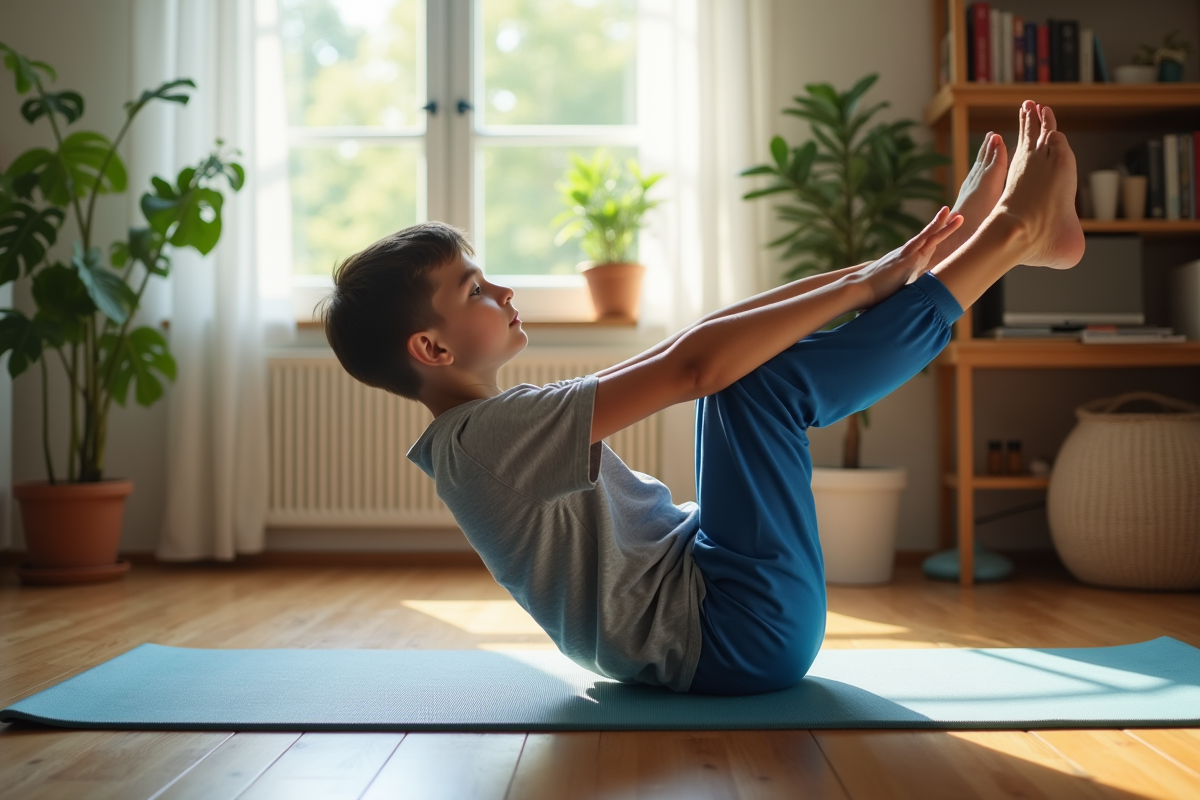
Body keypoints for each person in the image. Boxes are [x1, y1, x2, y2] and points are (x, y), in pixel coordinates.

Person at [321, 101, 1084, 695]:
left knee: (737, 367)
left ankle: (974, 249)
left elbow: (693, 343)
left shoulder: (484, 432)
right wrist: (866, 281)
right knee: (752, 388)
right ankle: (1012, 236)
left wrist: (889, 264)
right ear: (433, 348)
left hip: (719, 603)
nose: (505, 289)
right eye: (475, 289)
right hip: (732, 635)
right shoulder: (488, 440)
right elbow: (695, 369)